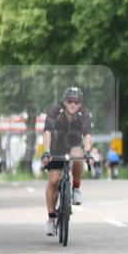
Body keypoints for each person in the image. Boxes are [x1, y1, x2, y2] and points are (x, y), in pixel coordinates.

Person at [41, 87, 94, 235]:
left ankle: (76, 189)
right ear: (64, 102)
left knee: (78, 155)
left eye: (76, 102)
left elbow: (87, 135)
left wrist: (88, 153)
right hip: (56, 146)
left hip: (73, 145)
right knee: (53, 180)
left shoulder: (84, 113)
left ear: (80, 104)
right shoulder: (55, 111)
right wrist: (46, 152)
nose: (73, 104)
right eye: (70, 101)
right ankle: (51, 219)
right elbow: (47, 132)